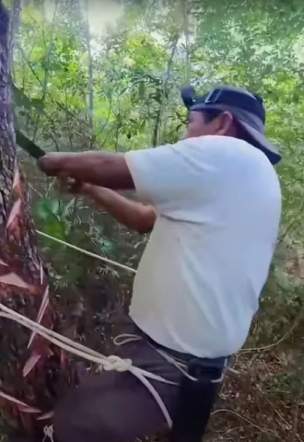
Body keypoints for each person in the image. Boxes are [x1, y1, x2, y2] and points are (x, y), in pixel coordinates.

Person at [36, 85, 282, 442]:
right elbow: (145, 219)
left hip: (175, 361)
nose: (186, 134)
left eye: (190, 122)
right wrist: (89, 187)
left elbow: (116, 167)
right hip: (181, 356)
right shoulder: (241, 178)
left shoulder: (230, 155)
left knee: (67, 431)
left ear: (222, 123)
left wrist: (53, 161)